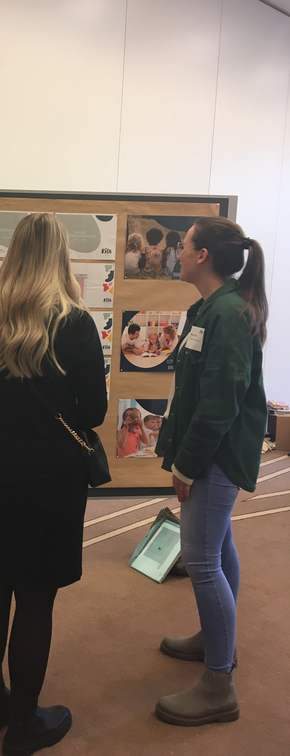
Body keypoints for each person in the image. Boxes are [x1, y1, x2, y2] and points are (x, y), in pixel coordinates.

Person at [0, 213, 107, 756]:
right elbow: (92, 410)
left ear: (13, 252)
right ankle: (23, 724)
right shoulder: (76, 323)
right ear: (60, 256)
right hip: (51, 472)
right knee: (36, 596)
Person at [155, 216, 268, 726]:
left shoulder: (226, 313)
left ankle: (219, 683)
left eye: (184, 244)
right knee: (218, 546)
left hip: (216, 455)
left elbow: (220, 405)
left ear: (202, 256)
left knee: (201, 561)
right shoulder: (210, 308)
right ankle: (214, 637)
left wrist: (187, 464)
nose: (177, 250)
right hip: (212, 451)